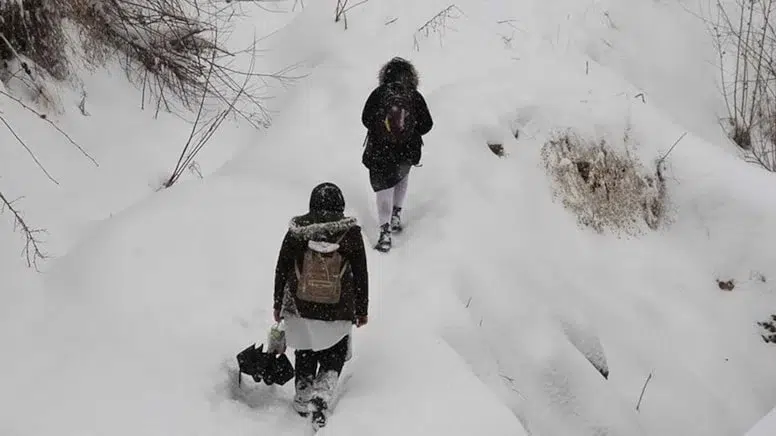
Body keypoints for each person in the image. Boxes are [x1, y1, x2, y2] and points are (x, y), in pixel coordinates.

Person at [273, 182, 369, 429]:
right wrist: (361, 309)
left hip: (300, 305)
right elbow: (361, 273)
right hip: (338, 307)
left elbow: (282, 267)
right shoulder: (350, 233)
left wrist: (277, 303)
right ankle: (323, 391)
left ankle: (304, 390)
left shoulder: (298, 231)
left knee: (305, 348)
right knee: (334, 350)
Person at [361, 56, 433, 252]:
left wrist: (382, 131)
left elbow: (365, 119)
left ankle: (385, 233)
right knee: (401, 177)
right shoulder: (414, 96)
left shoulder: (379, 94)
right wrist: (408, 132)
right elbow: (427, 124)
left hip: (379, 152)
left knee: (383, 189)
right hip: (406, 152)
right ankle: (396, 215)